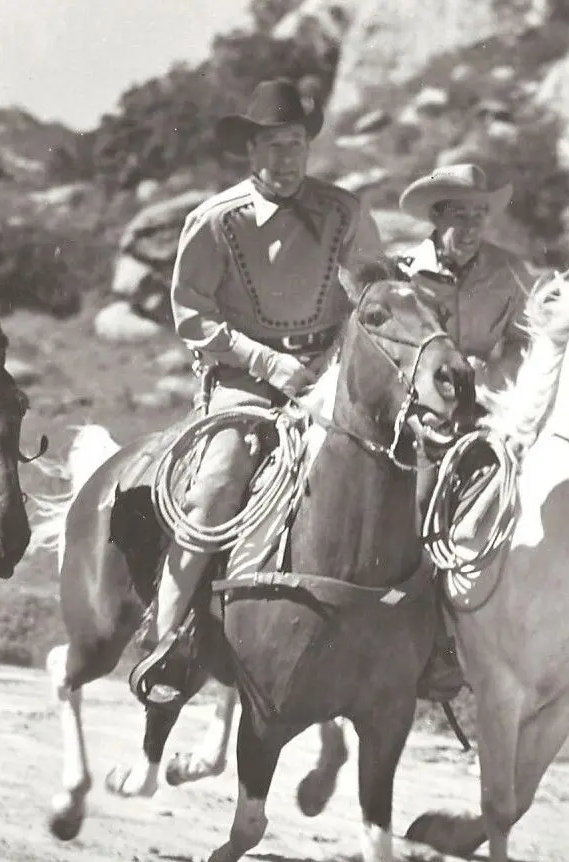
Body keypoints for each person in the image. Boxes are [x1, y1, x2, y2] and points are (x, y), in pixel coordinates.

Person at [129, 78, 389, 705]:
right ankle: (165, 639)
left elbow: (374, 291)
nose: (284, 159)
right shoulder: (215, 221)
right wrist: (268, 365)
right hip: (244, 382)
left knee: (396, 467)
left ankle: (419, 637)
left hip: (329, 376)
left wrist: (341, 359)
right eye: (271, 146)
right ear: (251, 152)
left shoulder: (346, 212)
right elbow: (191, 313)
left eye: (294, 144)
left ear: (308, 147)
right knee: (219, 483)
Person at [390, 163, 569, 693]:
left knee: (558, 492)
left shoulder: (510, 273)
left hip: (492, 411)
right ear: (436, 218)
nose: (470, 227)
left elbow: (534, 339)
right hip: (422, 417)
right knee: (420, 498)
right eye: (459, 215)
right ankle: (408, 619)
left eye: (479, 215)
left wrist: (501, 385)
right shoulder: (405, 276)